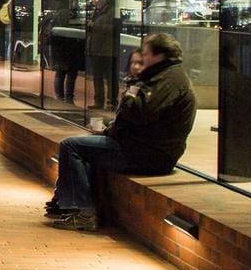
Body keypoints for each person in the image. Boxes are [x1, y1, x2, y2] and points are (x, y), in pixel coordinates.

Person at [47, 33, 196, 231]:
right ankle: (66, 204)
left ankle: (83, 212)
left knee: (71, 146)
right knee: (86, 148)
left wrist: (130, 94)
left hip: (147, 154)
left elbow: (140, 113)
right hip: (141, 147)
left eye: (146, 54)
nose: (142, 59)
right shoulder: (164, 76)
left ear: (159, 56)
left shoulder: (168, 80)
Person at [85, 0, 119, 110]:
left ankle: (111, 102)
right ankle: (98, 101)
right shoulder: (98, 11)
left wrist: (95, 26)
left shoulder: (112, 11)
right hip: (96, 49)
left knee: (110, 78)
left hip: (107, 50)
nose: (94, 2)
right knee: (97, 77)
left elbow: (114, 29)